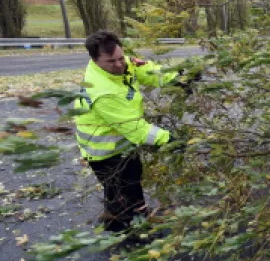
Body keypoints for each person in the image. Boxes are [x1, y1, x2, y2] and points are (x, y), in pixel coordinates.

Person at [74, 30, 191, 232]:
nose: (120, 65)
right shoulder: (102, 91)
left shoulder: (125, 63)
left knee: (130, 181)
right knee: (123, 189)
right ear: (95, 60)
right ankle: (129, 230)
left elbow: (149, 71)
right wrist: (170, 139)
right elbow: (136, 129)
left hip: (122, 142)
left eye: (121, 58)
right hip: (103, 150)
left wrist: (176, 78)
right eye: (111, 62)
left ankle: (124, 217)